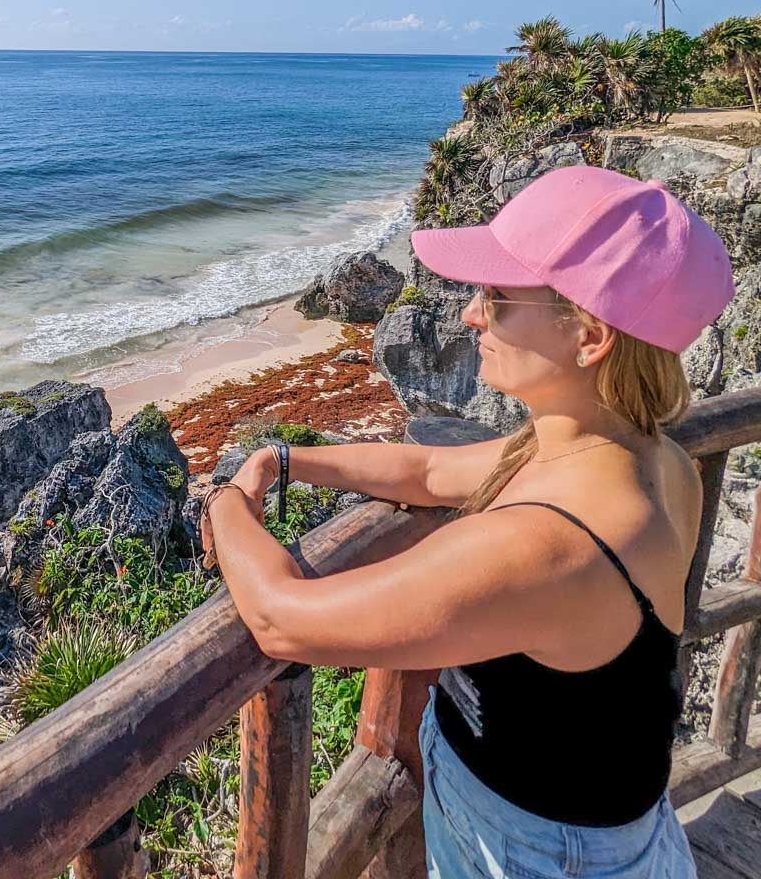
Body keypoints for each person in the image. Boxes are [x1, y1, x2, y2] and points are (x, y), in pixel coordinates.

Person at [199, 165, 735, 878]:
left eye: (496, 297)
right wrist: (284, 457)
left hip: (534, 854)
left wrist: (223, 504)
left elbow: (280, 618)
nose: (471, 314)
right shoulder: (648, 456)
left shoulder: (549, 545)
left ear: (590, 335)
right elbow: (427, 472)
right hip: (614, 830)